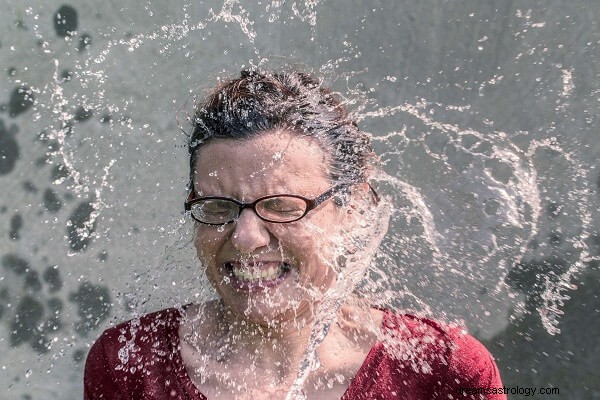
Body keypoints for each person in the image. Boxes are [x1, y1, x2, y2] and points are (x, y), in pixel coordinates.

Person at [84, 69, 506, 399]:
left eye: (282, 206)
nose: (246, 238)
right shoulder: (129, 363)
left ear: (354, 208)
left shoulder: (444, 370)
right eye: (217, 208)